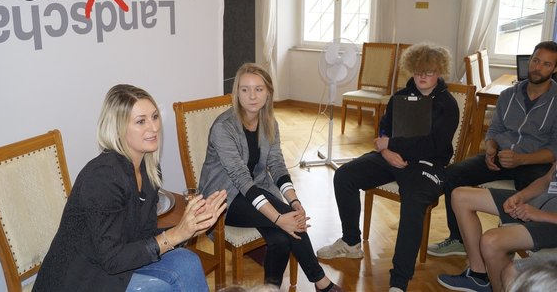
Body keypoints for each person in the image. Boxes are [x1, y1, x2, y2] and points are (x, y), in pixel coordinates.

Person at [33, 84, 227, 292]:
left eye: (154, 117)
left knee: (187, 262)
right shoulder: (102, 177)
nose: (153, 128)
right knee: (158, 289)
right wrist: (176, 234)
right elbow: (112, 259)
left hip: (113, 267)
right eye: (141, 121)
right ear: (118, 128)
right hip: (80, 279)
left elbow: (142, 234)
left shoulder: (148, 169)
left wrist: (191, 228)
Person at [316, 43, 459, 292]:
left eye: (429, 71)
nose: (422, 76)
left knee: (413, 202)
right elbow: (384, 128)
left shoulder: (447, 104)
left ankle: (399, 282)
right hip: (391, 157)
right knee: (344, 175)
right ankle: (351, 243)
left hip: (428, 165)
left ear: (439, 71)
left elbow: (433, 146)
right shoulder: (401, 96)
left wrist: (391, 143)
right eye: (417, 71)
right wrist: (386, 150)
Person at [199, 63, 343, 292]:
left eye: (258, 89)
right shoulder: (223, 127)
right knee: (289, 222)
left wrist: (294, 201)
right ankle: (322, 284)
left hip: (254, 191)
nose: (252, 96)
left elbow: (276, 166)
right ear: (236, 93)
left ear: (268, 93)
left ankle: (272, 289)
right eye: (244, 89)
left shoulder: (269, 123)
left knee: (282, 238)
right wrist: (278, 217)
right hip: (223, 199)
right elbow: (241, 179)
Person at [429, 41, 557, 258]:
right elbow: (495, 129)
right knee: (452, 175)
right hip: (501, 156)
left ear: (554, 69)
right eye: (535, 60)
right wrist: (490, 148)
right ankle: (458, 238)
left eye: (546, 64)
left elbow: (555, 149)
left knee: (537, 193)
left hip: (535, 162)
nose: (537, 67)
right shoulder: (508, 94)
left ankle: (514, 241)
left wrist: (521, 160)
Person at [437, 164, 557, 292]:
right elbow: (547, 179)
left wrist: (541, 215)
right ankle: (478, 275)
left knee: (490, 242)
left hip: (551, 221)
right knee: (460, 196)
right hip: (538, 203)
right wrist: (521, 197)